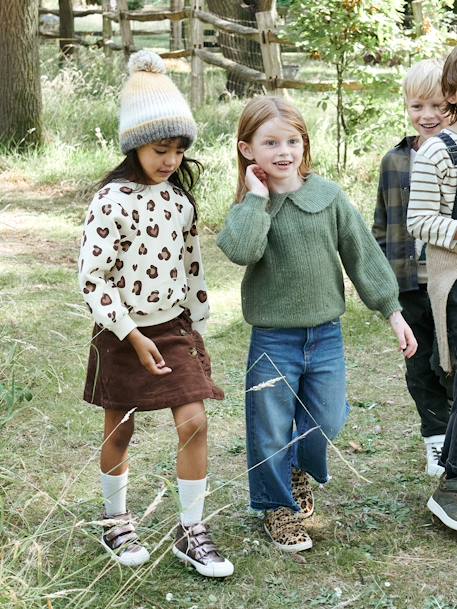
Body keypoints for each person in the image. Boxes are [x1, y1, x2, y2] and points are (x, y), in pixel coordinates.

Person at [217, 96, 417, 552]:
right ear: (248, 150)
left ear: (304, 145)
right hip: (273, 338)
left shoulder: (328, 197)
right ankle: (277, 508)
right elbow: (242, 251)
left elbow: (363, 256)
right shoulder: (252, 206)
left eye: (293, 141)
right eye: (271, 143)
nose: (284, 151)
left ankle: (296, 470)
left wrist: (393, 311)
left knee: (326, 417)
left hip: (325, 335)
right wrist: (257, 198)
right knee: (269, 427)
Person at [78, 50, 233, 577]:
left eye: (178, 150)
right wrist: (129, 333)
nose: (170, 160)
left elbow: (192, 267)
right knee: (119, 429)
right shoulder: (111, 200)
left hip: (172, 329)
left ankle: (192, 530)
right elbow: (92, 279)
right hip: (122, 333)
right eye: (159, 149)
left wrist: (197, 325)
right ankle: (115, 519)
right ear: (133, 146)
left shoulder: (180, 202)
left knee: (195, 423)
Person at [372, 59, 451, 477]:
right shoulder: (394, 160)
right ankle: (435, 440)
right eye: (418, 105)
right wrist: (384, 285)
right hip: (407, 286)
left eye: (439, 105)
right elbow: (382, 225)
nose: (428, 116)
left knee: (448, 362)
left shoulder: (452, 158)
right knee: (420, 367)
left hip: (447, 283)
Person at [407, 46, 457, 530]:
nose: (429, 115)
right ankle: (446, 468)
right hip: (437, 280)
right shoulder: (424, 155)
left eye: (435, 106)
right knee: (441, 371)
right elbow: (410, 223)